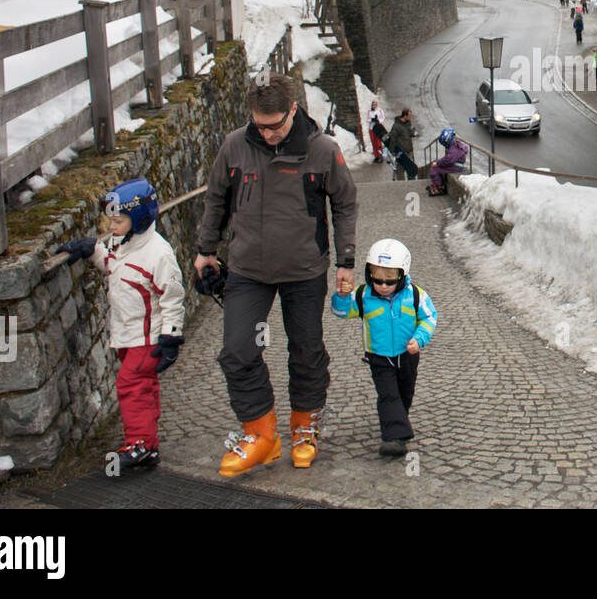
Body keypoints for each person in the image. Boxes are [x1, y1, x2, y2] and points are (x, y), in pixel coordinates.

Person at [196, 72, 358, 477]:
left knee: (305, 350)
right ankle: (261, 434)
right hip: (248, 270)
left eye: (275, 125)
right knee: (237, 351)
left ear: (293, 111)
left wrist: (346, 260)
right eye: (259, 125)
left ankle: (304, 427)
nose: (266, 134)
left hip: (304, 270)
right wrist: (205, 251)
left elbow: (345, 203)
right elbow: (216, 197)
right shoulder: (235, 145)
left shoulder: (323, 151)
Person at [56, 178, 185, 474]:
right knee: (143, 388)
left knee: (131, 385)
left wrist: (171, 336)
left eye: (118, 221)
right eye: (110, 221)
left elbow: (173, 296)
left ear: (139, 219)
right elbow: (113, 268)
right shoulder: (121, 243)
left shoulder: (157, 254)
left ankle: (140, 443)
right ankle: (148, 445)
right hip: (125, 334)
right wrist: (92, 251)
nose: (111, 227)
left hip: (147, 337)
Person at [331, 240, 437, 457]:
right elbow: (341, 312)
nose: (383, 286)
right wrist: (342, 296)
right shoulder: (363, 296)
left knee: (405, 392)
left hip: (407, 355)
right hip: (379, 357)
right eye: (377, 280)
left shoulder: (415, 296)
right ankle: (394, 438)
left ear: (402, 275)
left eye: (389, 281)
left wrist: (419, 338)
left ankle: (397, 421)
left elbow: (429, 318)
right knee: (388, 394)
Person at [427, 127, 468, 196]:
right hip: (456, 164)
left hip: (456, 166)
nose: (444, 146)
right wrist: (439, 162)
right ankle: (437, 183)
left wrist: (437, 163)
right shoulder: (455, 145)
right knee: (438, 168)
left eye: (444, 144)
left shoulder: (454, 149)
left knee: (434, 171)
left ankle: (439, 188)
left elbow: (448, 160)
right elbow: (448, 159)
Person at [388, 108, 419, 180]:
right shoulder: (396, 126)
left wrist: (414, 133)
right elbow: (393, 138)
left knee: (411, 168)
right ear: (405, 116)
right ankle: (401, 185)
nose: (410, 117)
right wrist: (392, 150)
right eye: (409, 116)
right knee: (400, 170)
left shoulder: (408, 123)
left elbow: (410, 132)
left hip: (409, 150)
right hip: (401, 152)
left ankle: (412, 184)